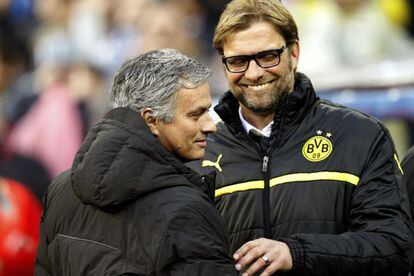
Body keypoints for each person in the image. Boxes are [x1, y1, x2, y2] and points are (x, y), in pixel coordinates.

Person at [188, 0, 414, 275]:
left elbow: (394, 248)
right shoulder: (199, 151)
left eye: (268, 56)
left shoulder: (361, 136)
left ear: (294, 53)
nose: (254, 72)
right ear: (222, 64)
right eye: (238, 61)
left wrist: (297, 253)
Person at [35, 49, 237, 275]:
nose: (210, 125)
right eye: (195, 114)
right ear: (151, 120)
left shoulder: (60, 190)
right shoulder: (188, 210)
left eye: (208, 111)